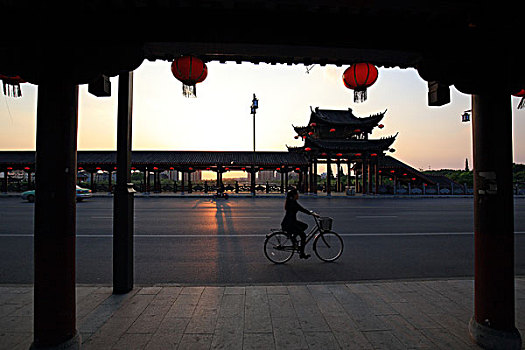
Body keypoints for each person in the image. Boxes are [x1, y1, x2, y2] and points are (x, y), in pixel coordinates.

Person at [281, 188, 317, 259]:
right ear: (294, 195)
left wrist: (311, 213)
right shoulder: (292, 203)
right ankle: (302, 253)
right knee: (303, 236)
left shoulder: (292, 201)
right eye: (297, 194)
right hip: (289, 224)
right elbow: (301, 209)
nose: (298, 195)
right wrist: (311, 214)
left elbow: (301, 208)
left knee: (305, 226)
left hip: (290, 222)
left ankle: (293, 238)